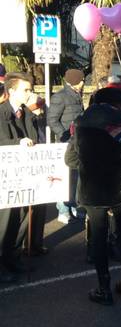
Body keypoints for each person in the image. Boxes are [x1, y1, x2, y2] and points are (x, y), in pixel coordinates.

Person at [65, 87, 121, 305]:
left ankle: (104, 289)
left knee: (99, 238)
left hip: (92, 189)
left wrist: (89, 167)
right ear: (118, 104)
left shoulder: (80, 123)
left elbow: (70, 159)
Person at [0, 73, 38, 283]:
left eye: (30, 89)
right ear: (12, 90)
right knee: (5, 222)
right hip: (7, 179)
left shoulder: (29, 115)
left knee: (23, 217)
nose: (29, 93)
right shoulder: (0, 113)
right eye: (26, 89)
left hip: (27, 176)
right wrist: (18, 144)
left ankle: (12, 258)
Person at [48, 68, 85, 224]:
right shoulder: (60, 97)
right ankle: (63, 210)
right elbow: (52, 120)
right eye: (82, 80)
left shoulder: (77, 96)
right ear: (77, 81)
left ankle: (74, 206)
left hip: (77, 143)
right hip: (66, 144)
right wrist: (64, 136)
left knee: (76, 177)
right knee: (64, 178)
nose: (84, 83)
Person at [19, 94, 50, 256]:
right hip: (28, 169)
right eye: (38, 107)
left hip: (43, 167)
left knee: (41, 208)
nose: (41, 111)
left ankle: (37, 242)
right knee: (27, 211)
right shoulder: (24, 120)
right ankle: (24, 245)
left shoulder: (43, 120)